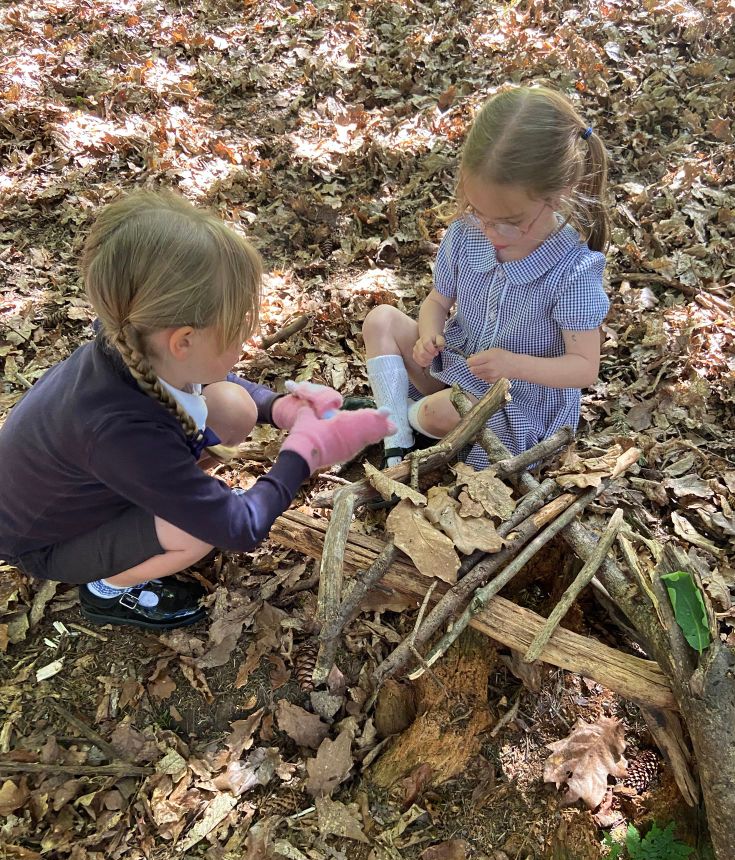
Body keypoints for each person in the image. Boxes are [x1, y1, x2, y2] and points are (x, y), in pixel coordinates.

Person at [0, 191, 393, 630]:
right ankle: (107, 590)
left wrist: (280, 408)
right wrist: (302, 454)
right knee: (194, 533)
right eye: (237, 332)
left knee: (234, 406)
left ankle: (173, 501)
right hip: (48, 542)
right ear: (183, 341)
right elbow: (239, 529)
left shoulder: (135, 341)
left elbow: (210, 383)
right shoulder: (121, 433)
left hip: (102, 484)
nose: (244, 343)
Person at [363, 84, 610, 468]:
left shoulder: (572, 272)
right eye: (479, 213)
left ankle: (398, 420)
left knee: (444, 410)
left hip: (517, 400)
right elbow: (437, 301)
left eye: (509, 222)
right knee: (381, 320)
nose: (491, 231)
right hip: (458, 366)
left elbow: (584, 368)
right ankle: (396, 440)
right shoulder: (468, 233)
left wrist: (512, 364)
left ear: (559, 195)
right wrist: (429, 334)